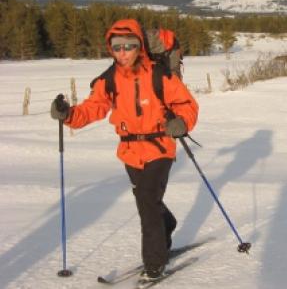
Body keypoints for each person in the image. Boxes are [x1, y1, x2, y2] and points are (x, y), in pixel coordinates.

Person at [50, 19, 199, 281]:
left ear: (140, 46)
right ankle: (167, 225)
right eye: (117, 47)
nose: (123, 52)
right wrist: (68, 114)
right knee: (148, 201)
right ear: (111, 48)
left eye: (129, 46)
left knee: (146, 204)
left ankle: (154, 264)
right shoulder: (110, 79)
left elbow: (187, 103)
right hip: (129, 151)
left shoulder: (158, 74)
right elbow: (93, 107)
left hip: (159, 146)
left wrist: (181, 122)